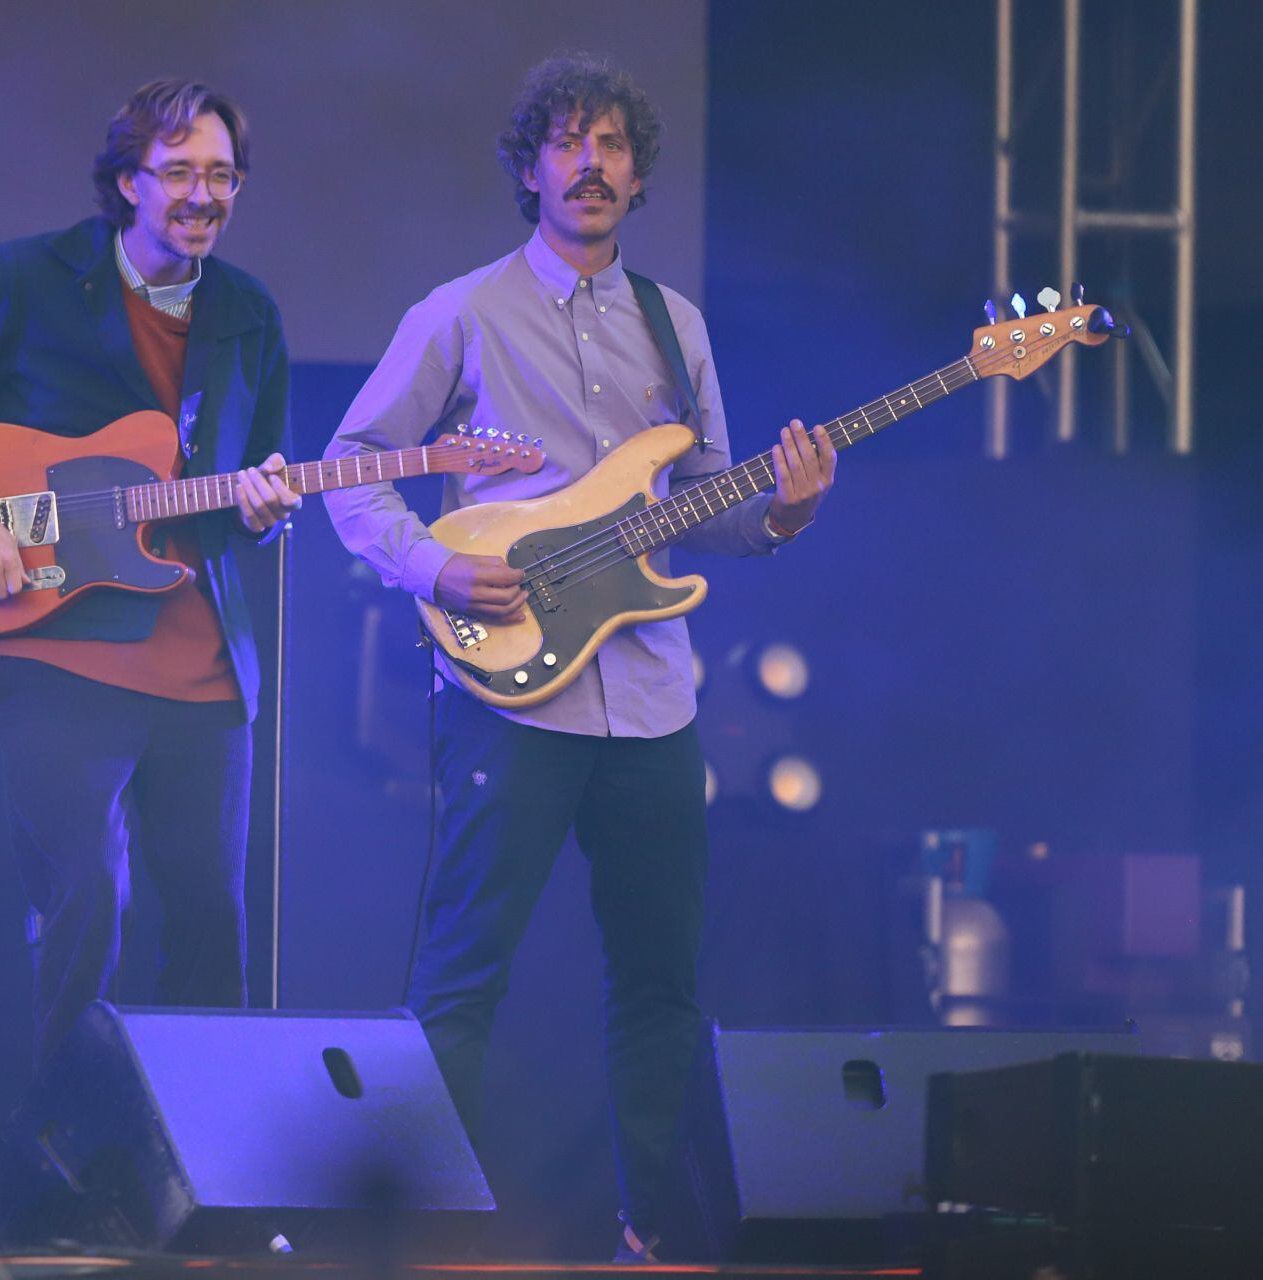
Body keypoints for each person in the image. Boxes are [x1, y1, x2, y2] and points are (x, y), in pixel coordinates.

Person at [322, 54, 835, 1259]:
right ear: (531, 168)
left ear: (639, 173)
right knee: (461, 977)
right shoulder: (459, 312)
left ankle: (648, 1231)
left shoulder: (678, 325)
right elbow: (355, 467)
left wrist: (784, 511)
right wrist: (437, 568)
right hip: (508, 690)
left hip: (652, 695)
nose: (592, 164)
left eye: (612, 145)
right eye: (569, 142)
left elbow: (704, 502)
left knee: (660, 982)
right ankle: (405, 1238)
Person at [0, 78, 299, 1062]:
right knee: (90, 900)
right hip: (59, 643)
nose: (203, 193)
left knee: (211, 926)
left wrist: (264, 510)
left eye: (222, 176)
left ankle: (194, 1189)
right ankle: (60, 1166)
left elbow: (244, 490)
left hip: (204, 664)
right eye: (179, 170)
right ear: (127, 180)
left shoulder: (249, 313)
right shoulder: (28, 278)